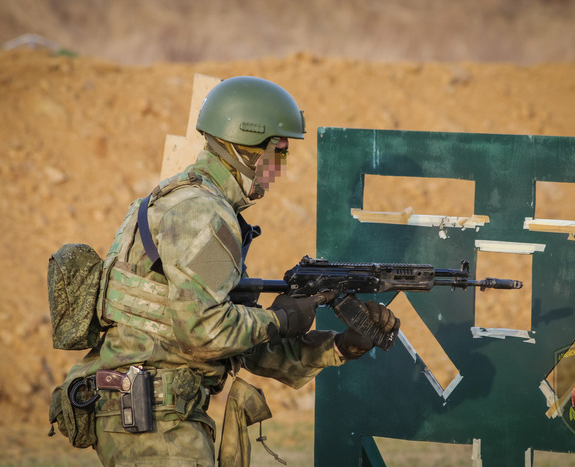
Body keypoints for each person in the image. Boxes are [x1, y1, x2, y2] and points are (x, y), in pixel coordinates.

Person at [59, 76, 399, 466]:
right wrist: (281, 318)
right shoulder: (203, 214)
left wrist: (337, 346)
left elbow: (231, 342)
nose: (279, 170)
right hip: (152, 422)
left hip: (158, 414)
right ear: (244, 147)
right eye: (278, 155)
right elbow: (205, 331)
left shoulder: (189, 201)